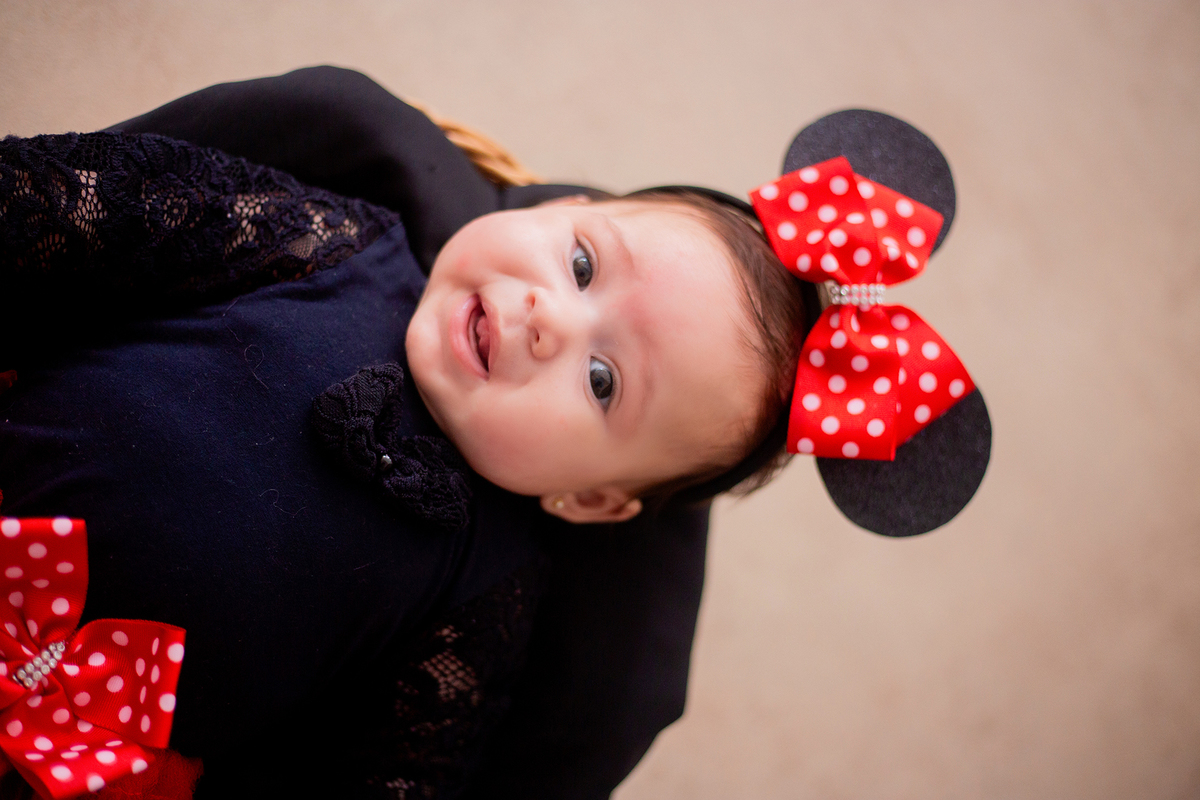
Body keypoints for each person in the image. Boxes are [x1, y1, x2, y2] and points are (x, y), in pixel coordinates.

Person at [0, 67, 987, 800]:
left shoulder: (479, 603)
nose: (549, 318)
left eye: (602, 381)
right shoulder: (323, 238)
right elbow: (92, 210)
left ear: (590, 499)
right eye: (584, 263)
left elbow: (385, 779)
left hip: (57, 747)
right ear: (561, 204)